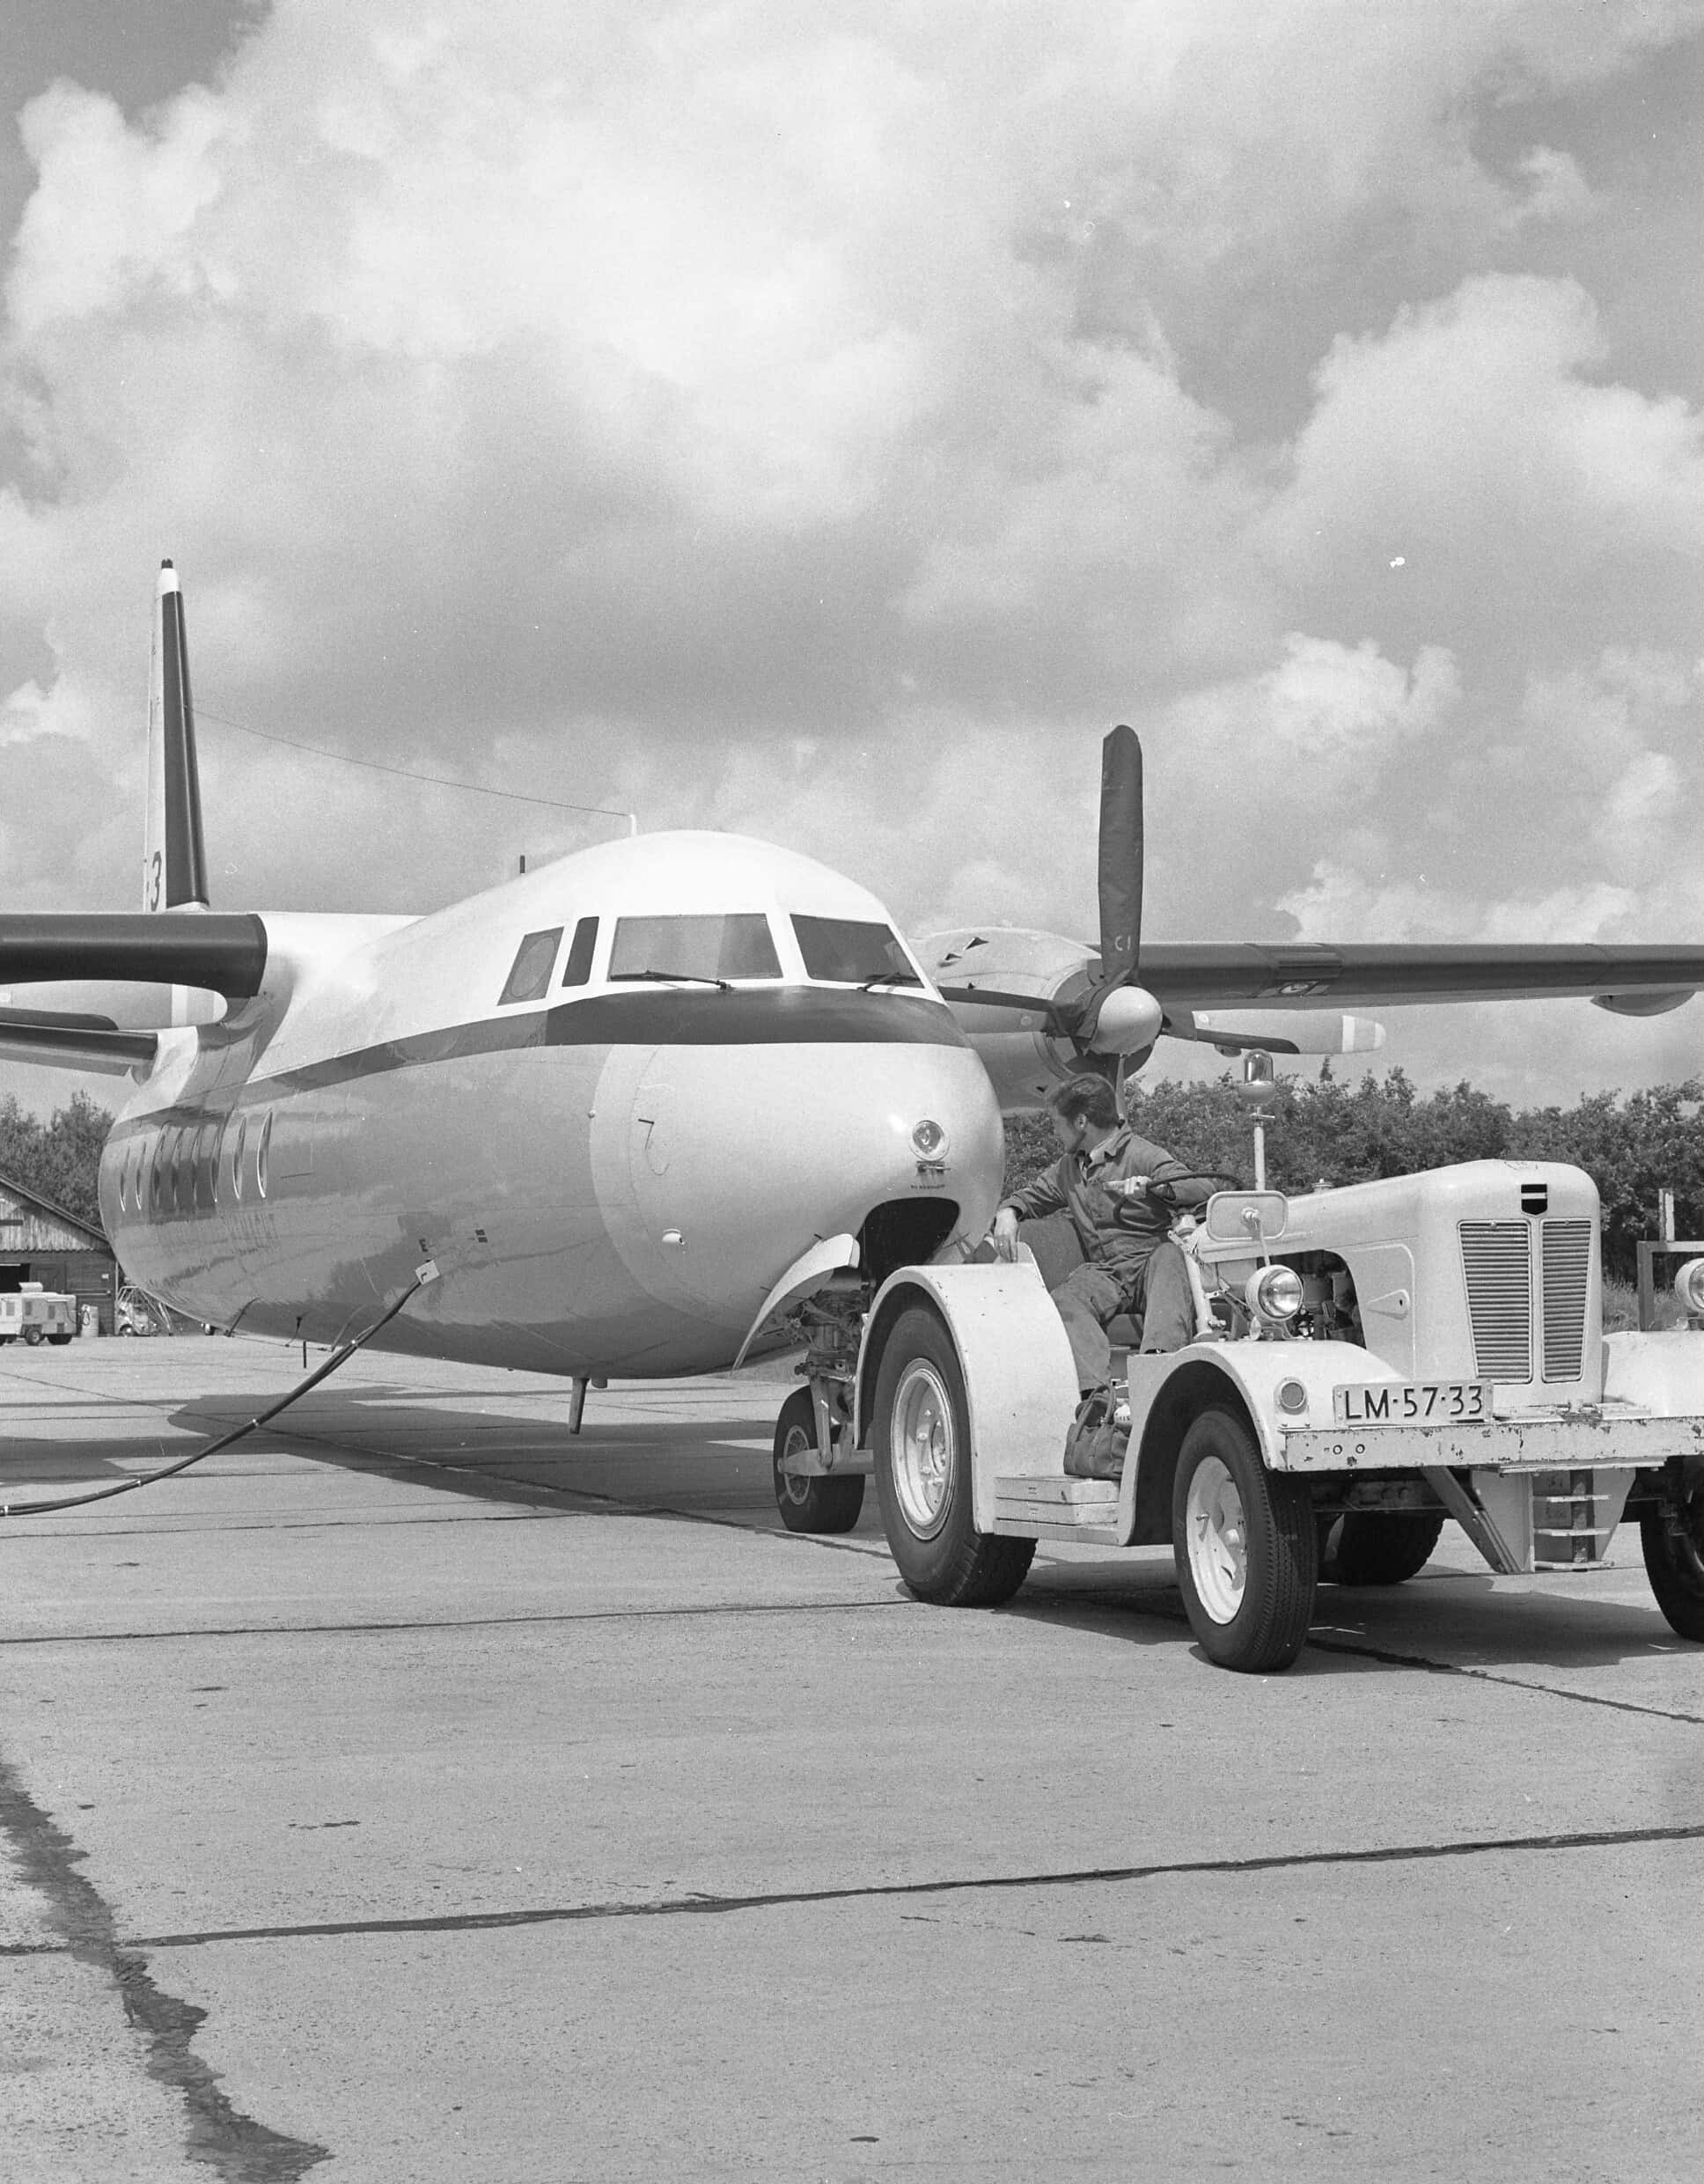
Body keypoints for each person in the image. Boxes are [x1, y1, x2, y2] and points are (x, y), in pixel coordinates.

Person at [989, 1073, 1216, 1393]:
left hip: (1150, 1263)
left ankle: (1159, 1379)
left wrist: (1156, 1187)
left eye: (1057, 1123)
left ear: (1081, 1121)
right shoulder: (1069, 1167)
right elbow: (1031, 1197)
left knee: (1169, 1255)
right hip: (1108, 1273)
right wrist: (1008, 1212)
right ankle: (1095, 1399)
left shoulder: (1142, 1154)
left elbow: (1202, 1186)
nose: (1054, 1132)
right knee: (1067, 1297)